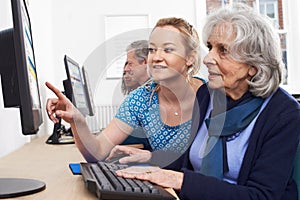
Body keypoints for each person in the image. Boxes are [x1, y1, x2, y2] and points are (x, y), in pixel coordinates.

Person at [116, 3, 300, 199]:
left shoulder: (284, 115)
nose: (207, 59)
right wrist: (150, 159)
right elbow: (186, 161)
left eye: (223, 50)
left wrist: (181, 181)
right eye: (211, 47)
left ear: (253, 65)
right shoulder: (206, 95)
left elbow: (262, 196)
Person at [45, 17, 203, 164]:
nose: (155, 57)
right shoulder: (141, 99)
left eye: (168, 50)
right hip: (167, 185)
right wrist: (76, 121)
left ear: (189, 58)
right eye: (152, 49)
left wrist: (151, 157)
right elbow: (98, 152)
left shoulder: (209, 96)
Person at [119, 40, 152, 150]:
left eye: (130, 63)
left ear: (144, 62)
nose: (126, 69)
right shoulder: (142, 93)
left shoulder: (152, 92)